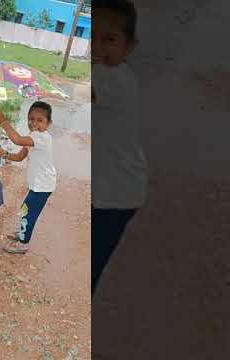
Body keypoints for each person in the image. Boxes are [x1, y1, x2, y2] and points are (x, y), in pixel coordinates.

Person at [91, 0, 148, 296]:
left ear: (129, 47)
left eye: (109, 39)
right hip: (119, 187)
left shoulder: (111, 78)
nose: (97, 48)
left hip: (115, 194)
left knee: (92, 262)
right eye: (92, 37)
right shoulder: (114, 74)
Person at [0, 101, 56, 254]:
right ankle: (23, 233)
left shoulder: (42, 138)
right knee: (25, 210)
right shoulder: (33, 137)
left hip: (43, 186)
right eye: (31, 119)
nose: (34, 123)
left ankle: (23, 243)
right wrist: (5, 154)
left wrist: (3, 121)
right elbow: (20, 157)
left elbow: (16, 139)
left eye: (40, 120)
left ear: (49, 123)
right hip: (38, 184)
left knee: (29, 213)